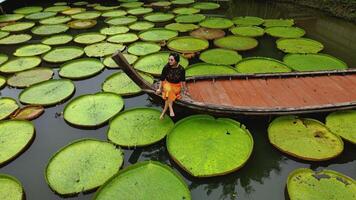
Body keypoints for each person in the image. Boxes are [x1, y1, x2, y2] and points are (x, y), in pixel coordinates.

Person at [156, 52, 187, 119]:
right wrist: (159, 89)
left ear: (176, 60)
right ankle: (170, 109)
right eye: (169, 59)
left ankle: (164, 112)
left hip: (176, 86)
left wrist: (184, 90)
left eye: (171, 60)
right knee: (169, 90)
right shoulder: (166, 67)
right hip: (167, 84)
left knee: (169, 93)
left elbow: (183, 81)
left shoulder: (181, 69)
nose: (169, 61)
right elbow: (162, 79)